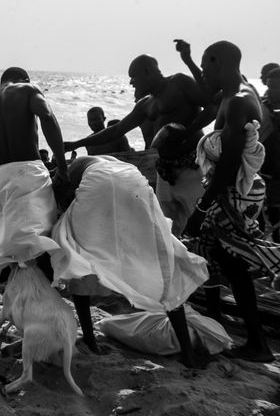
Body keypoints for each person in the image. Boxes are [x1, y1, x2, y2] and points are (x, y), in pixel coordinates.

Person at [51, 155, 211, 367]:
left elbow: (59, 200)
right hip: (134, 181)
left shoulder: (72, 170)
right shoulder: (102, 161)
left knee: (79, 254)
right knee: (157, 256)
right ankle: (188, 353)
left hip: (99, 182)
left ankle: (90, 339)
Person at [185, 40, 278, 363]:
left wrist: (201, 208)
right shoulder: (232, 95)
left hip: (234, 192)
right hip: (232, 190)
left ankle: (259, 344)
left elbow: (228, 164)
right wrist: (185, 60)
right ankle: (254, 341)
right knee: (228, 263)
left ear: (218, 63)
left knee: (236, 264)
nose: (203, 73)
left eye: (205, 66)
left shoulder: (238, 102)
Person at [0, 66, 68, 355]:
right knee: (49, 245)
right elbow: (48, 117)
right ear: (24, 79)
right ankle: (51, 326)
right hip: (30, 174)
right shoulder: (27, 90)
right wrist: (61, 165)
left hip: (0, 178)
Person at [65, 52, 214, 236]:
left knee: (200, 225)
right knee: (167, 231)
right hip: (165, 173)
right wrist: (76, 143)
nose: (131, 83)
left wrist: (187, 131)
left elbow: (213, 105)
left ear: (147, 71)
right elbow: (117, 129)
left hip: (192, 168)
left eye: (133, 77)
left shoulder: (179, 83)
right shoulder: (146, 104)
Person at [259, 67, 280, 241]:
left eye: (276, 87)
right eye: (270, 86)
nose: (271, 91)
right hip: (265, 172)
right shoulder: (261, 108)